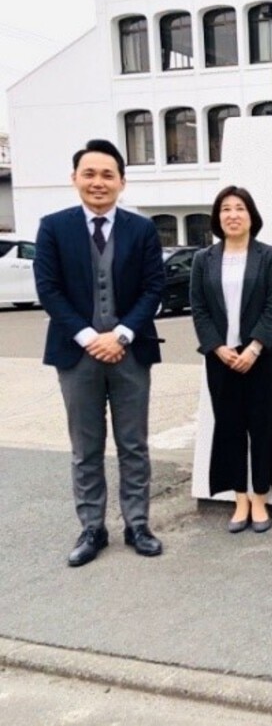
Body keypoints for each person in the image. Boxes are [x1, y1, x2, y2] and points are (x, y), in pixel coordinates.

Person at [33, 138, 165, 567]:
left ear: (122, 182)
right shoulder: (53, 227)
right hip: (77, 355)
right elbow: (49, 290)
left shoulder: (141, 229)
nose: (98, 182)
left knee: (133, 444)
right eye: (89, 173)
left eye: (108, 174)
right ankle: (92, 527)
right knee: (85, 447)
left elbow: (153, 289)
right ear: (74, 179)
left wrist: (121, 334)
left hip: (131, 353)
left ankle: (138, 523)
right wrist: (90, 336)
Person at [190, 185, 272, 533]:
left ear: (251, 216)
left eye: (240, 208)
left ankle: (260, 496)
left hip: (261, 356)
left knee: (262, 427)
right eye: (226, 209)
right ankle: (239, 497)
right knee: (229, 428)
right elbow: (198, 310)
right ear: (217, 217)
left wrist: (254, 348)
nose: (232, 214)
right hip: (221, 358)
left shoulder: (269, 256)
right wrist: (217, 347)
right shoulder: (204, 260)